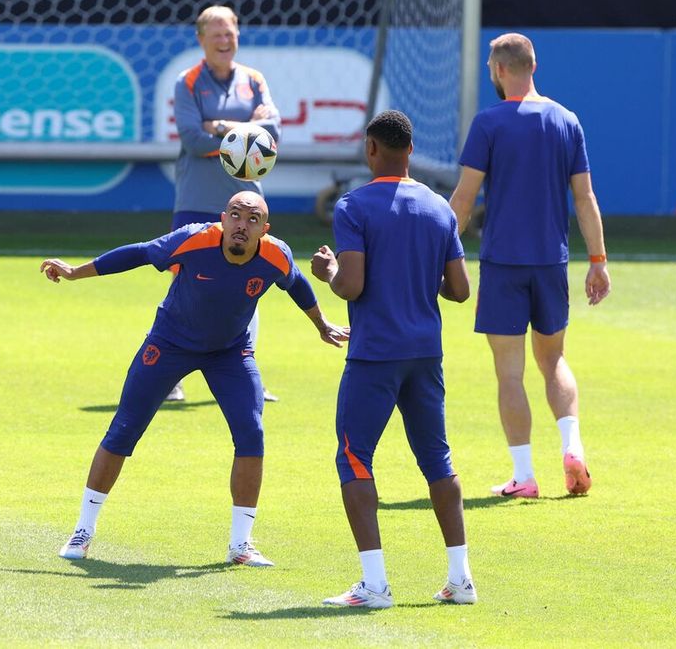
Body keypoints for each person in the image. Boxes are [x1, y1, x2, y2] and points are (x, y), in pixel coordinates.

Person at [41, 192, 348, 567]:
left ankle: (241, 544)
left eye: (252, 219)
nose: (241, 224)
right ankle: (83, 531)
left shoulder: (275, 254)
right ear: (223, 219)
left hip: (230, 352)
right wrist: (76, 272)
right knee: (123, 429)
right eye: (235, 215)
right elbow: (138, 253)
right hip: (169, 343)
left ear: (264, 230)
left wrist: (321, 325)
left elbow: (297, 283)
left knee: (252, 433)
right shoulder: (193, 239)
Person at [311, 110, 475, 608]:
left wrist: (329, 270)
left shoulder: (353, 206)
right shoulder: (439, 209)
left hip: (375, 354)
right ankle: (461, 579)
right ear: (410, 149)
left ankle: (375, 584)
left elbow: (352, 284)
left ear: (371, 148)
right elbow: (461, 290)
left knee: (355, 456)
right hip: (425, 353)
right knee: (437, 460)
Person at [449, 32, 611, 499]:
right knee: (554, 359)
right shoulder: (567, 121)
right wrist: (597, 260)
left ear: (499, 70)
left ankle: (524, 475)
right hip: (551, 264)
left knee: (509, 372)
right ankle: (573, 446)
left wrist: (438, 250)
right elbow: (585, 198)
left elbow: (463, 197)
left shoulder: (489, 123)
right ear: (533, 66)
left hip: (503, 264)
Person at [169, 4, 282, 402]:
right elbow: (191, 138)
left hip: (249, 205)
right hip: (197, 201)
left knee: (249, 289)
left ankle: (248, 375)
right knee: (185, 289)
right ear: (201, 40)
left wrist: (217, 125)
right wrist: (247, 127)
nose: (224, 41)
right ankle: (171, 375)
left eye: (230, 33)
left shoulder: (254, 79)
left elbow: (272, 132)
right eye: (216, 34)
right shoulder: (188, 82)